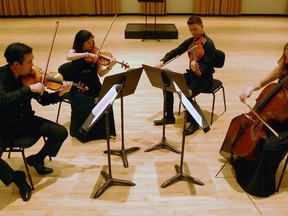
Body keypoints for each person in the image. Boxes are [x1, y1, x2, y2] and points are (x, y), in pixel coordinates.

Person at [0, 42, 72, 201]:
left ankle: (36, 159)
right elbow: (3, 100)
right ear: (16, 64)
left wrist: (61, 93)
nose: (33, 65)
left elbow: (44, 100)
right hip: (4, 126)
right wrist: (28, 90)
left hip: (26, 121)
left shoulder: (30, 78)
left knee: (60, 132)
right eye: (30, 61)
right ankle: (18, 179)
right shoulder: (1, 77)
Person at [228, 43, 288, 197]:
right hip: (276, 118)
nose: (287, 60)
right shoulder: (283, 67)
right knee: (238, 122)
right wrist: (250, 88)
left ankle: (261, 186)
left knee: (270, 145)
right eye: (286, 56)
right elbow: (262, 82)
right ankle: (238, 158)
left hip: (285, 125)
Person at [153, 15, 215, 135]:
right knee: (168, 82)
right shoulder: (192, 42)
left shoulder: (209, 45)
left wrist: (197, 67)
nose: (193, 33)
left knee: (187, 94)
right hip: (192, 75)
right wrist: (163, 61)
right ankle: (169, 116)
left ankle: (194, 123)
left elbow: (206, 66)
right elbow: (176, 51)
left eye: (195, 29)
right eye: (191, 30)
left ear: (202, 26)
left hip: (204, 79)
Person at [65, 30, 117, 143]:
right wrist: (87, 54)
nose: (92, 45)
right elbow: (68, 57)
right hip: (80, 88)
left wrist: (110, 67)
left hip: (95, 86)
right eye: (88, 43)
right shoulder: (74, 52)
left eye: (92, 42)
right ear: (81, 43)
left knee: (106, 104)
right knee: (84, 108)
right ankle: (84, 134)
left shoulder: (96, 55)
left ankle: (103, 132)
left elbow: (100, 74)